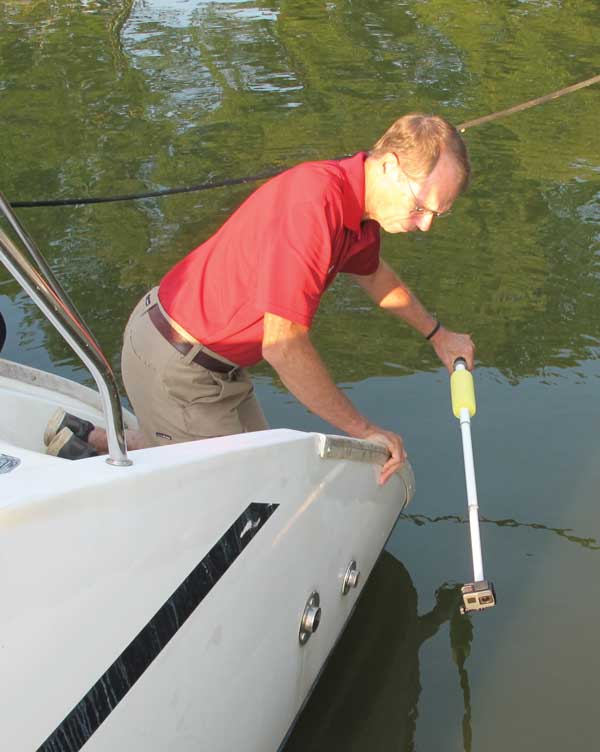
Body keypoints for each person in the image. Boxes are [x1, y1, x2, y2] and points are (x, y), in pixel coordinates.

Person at [45, 113, 475, 484]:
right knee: (231, 498)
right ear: (390, 167)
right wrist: (364, 429)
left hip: (219, 366)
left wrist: (438, 335)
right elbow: (283, 346)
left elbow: (375, 275)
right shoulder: (313, 203)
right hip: (177, 362)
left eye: (440, 213)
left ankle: (86, 438)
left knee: (266, 474)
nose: (426, 225)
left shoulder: (360, 214)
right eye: (422, 207)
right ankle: (91, 459)